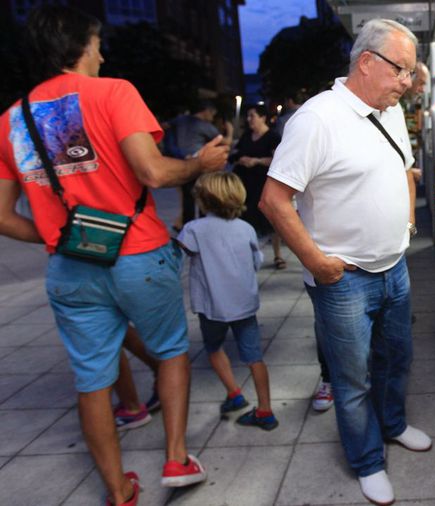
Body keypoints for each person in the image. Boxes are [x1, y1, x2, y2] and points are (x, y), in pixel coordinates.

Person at [0, 6, 228, 505]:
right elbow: (152, 173)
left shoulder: (11, 119)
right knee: (170, 352)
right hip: (138, 254)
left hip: (70, 265)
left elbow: (2, 216)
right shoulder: (114, 92)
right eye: (98, 43)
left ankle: (117, 490)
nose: (102, 53)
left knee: (91, 379)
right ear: (83, 45)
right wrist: (200, 163)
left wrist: (63, 232)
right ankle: (176, 457)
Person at [260, 18, 431, 506]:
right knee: (351, 377)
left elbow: (403, 170)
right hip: (344, 280)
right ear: (367, 62)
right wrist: (317, 263)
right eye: (402, 71)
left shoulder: (391, 109)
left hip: (394, 267)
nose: (408, 82)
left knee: (397, 358)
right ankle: (367, 461)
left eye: (411, 73)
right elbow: (274, 201)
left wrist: (406, 227)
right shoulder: (316, 118)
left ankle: (393, 425)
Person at [177, 172, 277, 430]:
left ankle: (234, 394)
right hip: (244, 304)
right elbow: (256, 261)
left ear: (204, 200)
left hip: (212, 307)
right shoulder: (246, 229)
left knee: (213, 347)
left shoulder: (193, 230)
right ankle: (265, 410)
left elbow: (181, 255)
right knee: (255, 357)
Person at [230, 104, 286, 269]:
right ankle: (249, 252)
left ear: (262, 117)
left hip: (264, 181)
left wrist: (257, 161)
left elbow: (278, 159)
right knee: (247, 216)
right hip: (245, 181)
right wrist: (242, 159)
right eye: (248, 116)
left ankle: (277, 255)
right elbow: (236, 154)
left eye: (252, 116)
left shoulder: (273, 137)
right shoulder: (247, 136)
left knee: (270, 218)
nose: (249, 120)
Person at [167, 100, 233, 230]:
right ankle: (204, 229)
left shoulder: (181, 120)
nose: (212, 118)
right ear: (206, 111)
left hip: (184, 163)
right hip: (200, 165)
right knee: (204, 198)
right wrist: (230, 131)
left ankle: (187, 228)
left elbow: (165, 126)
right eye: (212, 114)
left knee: (188, 199)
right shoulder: (204, 125)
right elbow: (226, 142)